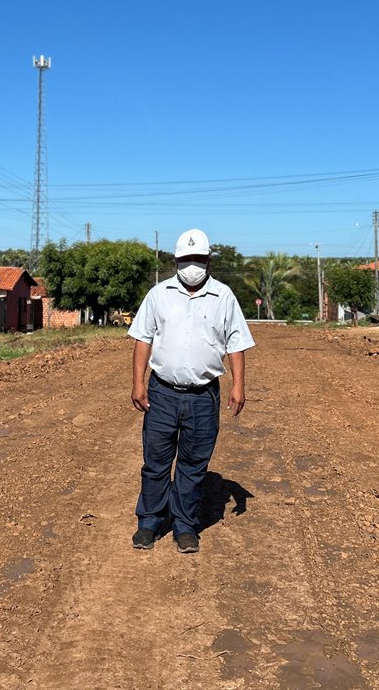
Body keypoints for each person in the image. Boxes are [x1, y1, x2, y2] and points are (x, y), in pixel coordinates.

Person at [128, 228, 254, 554]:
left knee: (193, 465)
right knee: (155, 462)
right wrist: (138, 382)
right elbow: (143, 339)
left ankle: (185, 525)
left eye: (198, 259)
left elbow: (236, 344)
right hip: (162, 393)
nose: (192, 265)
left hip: (203, 396)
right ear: (176, 261)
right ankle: (150, 522)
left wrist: (238, 385)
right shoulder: (158, 295)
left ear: (208, 259)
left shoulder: (224, 296)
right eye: (187, 259)